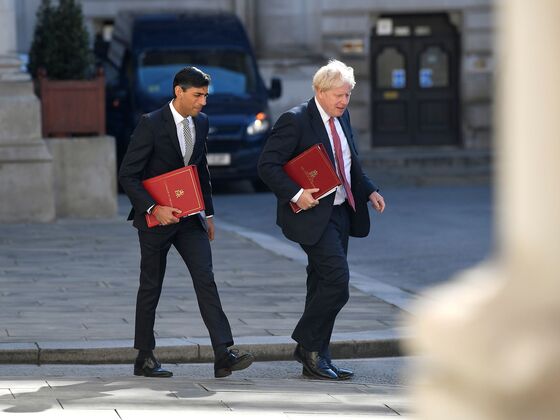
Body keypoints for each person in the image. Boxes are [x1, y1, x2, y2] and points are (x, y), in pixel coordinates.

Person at [119, 66, 253, 378]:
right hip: (156, 221)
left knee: (206, 278)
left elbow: (200, 170)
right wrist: (153, 208)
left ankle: (223, 354)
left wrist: (207, 214)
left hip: (191, 218)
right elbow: (128, 174)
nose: (203, 102)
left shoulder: (202, 123)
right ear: (178, 91)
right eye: (197, 95)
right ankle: (145, 356)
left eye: (206, 95)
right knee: (151, 286)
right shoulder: (150, 123)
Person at [258, 59, 386, 380]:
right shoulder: (295, 120)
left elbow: (349, 161)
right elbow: (267, 165)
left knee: (320, 283)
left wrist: (369, 189)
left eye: (347, 95)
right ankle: (306, 344)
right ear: (319, 90)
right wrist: (296, 193)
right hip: (312, 214)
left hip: (342, 212)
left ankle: (318, 357)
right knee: (337, 282)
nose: (344, 101)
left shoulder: (342, 118)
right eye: (338, 95)